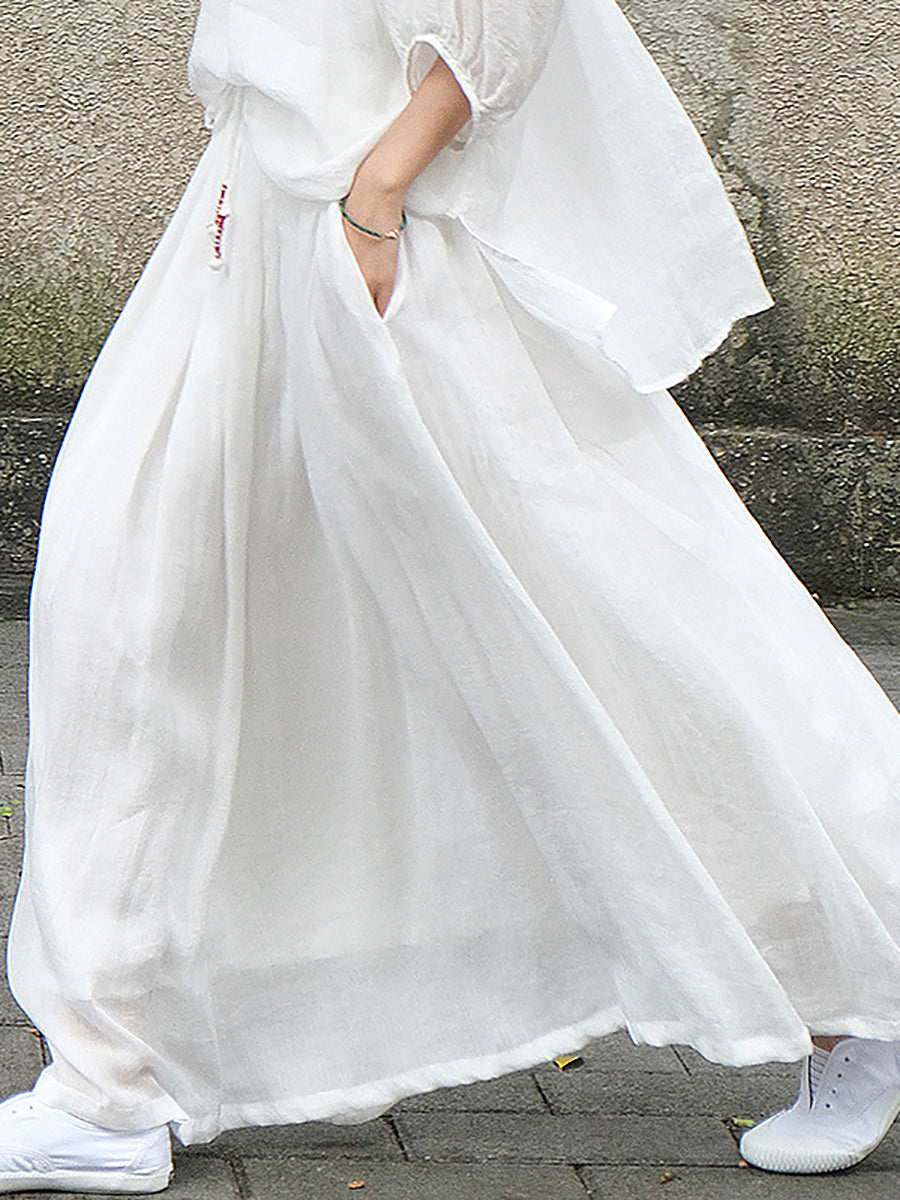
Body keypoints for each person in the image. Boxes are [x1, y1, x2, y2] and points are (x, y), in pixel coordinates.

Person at [3, 0, 900, 1191]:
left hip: (373, 236)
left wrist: (379, 194)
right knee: (129, 604)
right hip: (251, 212)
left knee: (602, 629)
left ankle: (865, 984)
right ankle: (108, 1085)